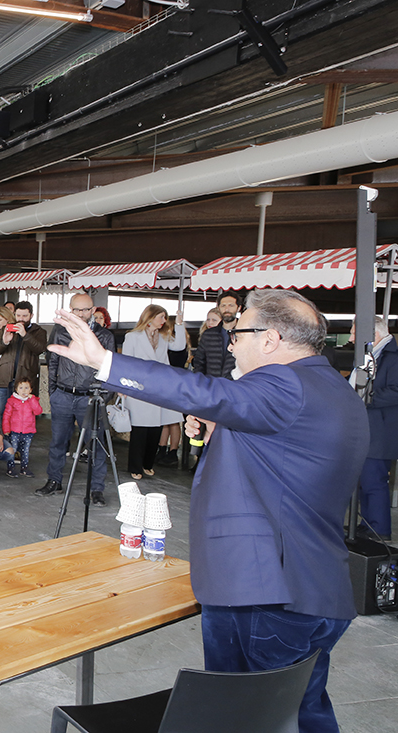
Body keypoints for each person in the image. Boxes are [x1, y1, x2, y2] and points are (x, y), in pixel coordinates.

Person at [48, 289, 368, 733]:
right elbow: (289, 468)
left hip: (263, 594)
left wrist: (105, 361)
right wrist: (226, 428)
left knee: (240, 718)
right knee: (299, 711)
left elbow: (201, 389)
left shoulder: (283, 382)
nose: (231, 342)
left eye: (238, 332)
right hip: (316, 586)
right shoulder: (333, 387)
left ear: (271, 339)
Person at [37, 293, 116, 505]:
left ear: (93, 310)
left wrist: (102, 398)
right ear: (71, 310)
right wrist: (53, 392)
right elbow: (53, 361)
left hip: (89, 399)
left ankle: (96, 489)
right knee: (57, 442)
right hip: (62, 395)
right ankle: (54, 480)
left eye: (85, 310)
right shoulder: (60, 331)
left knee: (95, 444)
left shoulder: (105, 336)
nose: (81, 314)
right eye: (77, 310)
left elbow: (110, 369)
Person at [121, 305, 187, 480]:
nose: (164, 321)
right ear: (150, 318)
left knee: (156, 428)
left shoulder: (164, 336)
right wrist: (124, 387)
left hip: (159, 387)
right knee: (140, 429)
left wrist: (179, 324)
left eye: (165, 317)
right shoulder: (132, 336)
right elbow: (127, 362)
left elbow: (180, 346)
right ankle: (135, 467)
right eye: (161, 317)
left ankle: (147, 464)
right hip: (139, 387)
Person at [354, 316, 397, 540]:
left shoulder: (393, 357)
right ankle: (367, 525)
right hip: (370, 428)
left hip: (380, 431)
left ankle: (379, 530)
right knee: (365, 483)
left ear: (373, 335)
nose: (352, 337)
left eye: (355, 332)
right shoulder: (377, 355)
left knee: (373, 481)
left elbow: (395, 391)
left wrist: (364, 396)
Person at [0, 300, 47, 421]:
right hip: (4, 379)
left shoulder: (39, 332)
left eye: (25, 316)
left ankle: (18, 439)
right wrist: (4, 341)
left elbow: (39, 349)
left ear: (31, 315)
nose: (21, 319)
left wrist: (25, 335)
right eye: (18, 315)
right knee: (1, 413)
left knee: (22, 416)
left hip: (25, 382)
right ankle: (0, 438)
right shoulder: (7, 328)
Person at [192, 292, 241, 378]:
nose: (227, 309)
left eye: (231, 305)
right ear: (218, 308)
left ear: (239, 308)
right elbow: (199, 362)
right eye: (223, 305)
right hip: (212, 385)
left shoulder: (245, 334)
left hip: (235, 386)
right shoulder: (208, 335)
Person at [1, 377, 42, 478]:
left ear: (31, 390)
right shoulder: (12, 401)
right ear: (16, 389)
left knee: (25, 451)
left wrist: (32, 399)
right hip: (14, 431)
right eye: (21, 388)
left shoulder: (33, 400)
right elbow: (6, 416)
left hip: (28, 431)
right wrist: (6, 429)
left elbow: (38, 411)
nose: (24, 390)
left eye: (27, 388)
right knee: (13, 450)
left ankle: (24, 468)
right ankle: (10, 469)